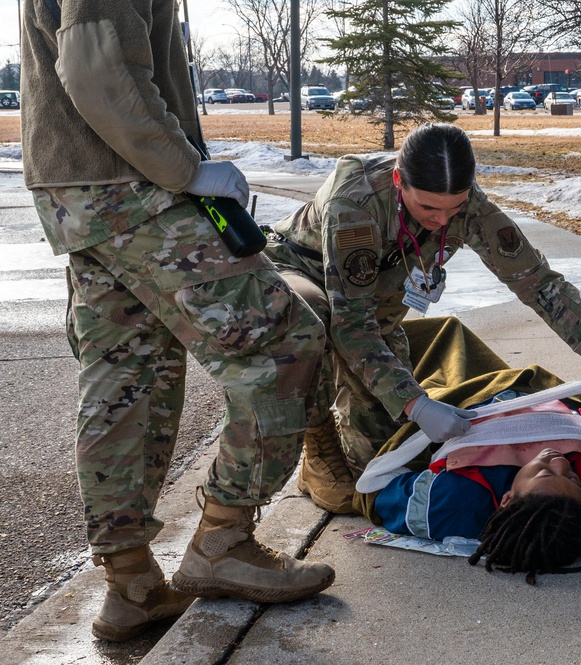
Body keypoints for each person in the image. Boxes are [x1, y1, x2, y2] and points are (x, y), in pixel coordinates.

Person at [20, 0, 334, 642]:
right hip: (133, 185)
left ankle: (130, 585)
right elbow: (97, 70)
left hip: (84, 190)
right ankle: (223, 541)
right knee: (284, 343)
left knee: (128, 377)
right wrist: (184, 167)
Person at [263, 123, 581, 514]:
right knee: (313, 324)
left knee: (389, 464)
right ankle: (317, 443)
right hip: (306, 279)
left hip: (378, 302)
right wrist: (414, 403)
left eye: (455, 209)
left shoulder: (469, 204)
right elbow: (352, 322)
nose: (443, 221)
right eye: (428, 208)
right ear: (399, 180)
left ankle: (352, 432)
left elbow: (537, 282)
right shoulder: (356, 203)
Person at [350, 316, 581, 585]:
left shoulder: (454, 503)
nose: (557, 461)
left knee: (422, 349)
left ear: (508, 499)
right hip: (534, 392)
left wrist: (419, 412)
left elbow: (380, 492)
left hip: (467, 401)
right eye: (571, 475)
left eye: (543, 472)